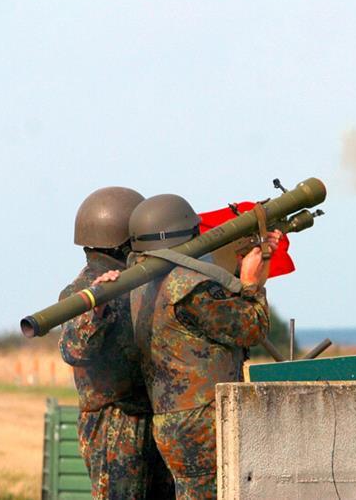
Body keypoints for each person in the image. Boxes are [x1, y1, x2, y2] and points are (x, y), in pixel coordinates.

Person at [128, 193, 278, 499]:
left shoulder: (142, 285)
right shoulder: (190, 287)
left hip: (174, 421)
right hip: (203, 425)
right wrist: (251, 282)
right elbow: (251, 328)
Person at [59, 186, 174, 499]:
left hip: (147, 414)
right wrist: (98, 308)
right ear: (125, 240)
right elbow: (74, 349)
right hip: (116, 422)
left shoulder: (136, 280)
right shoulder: (83, 289)